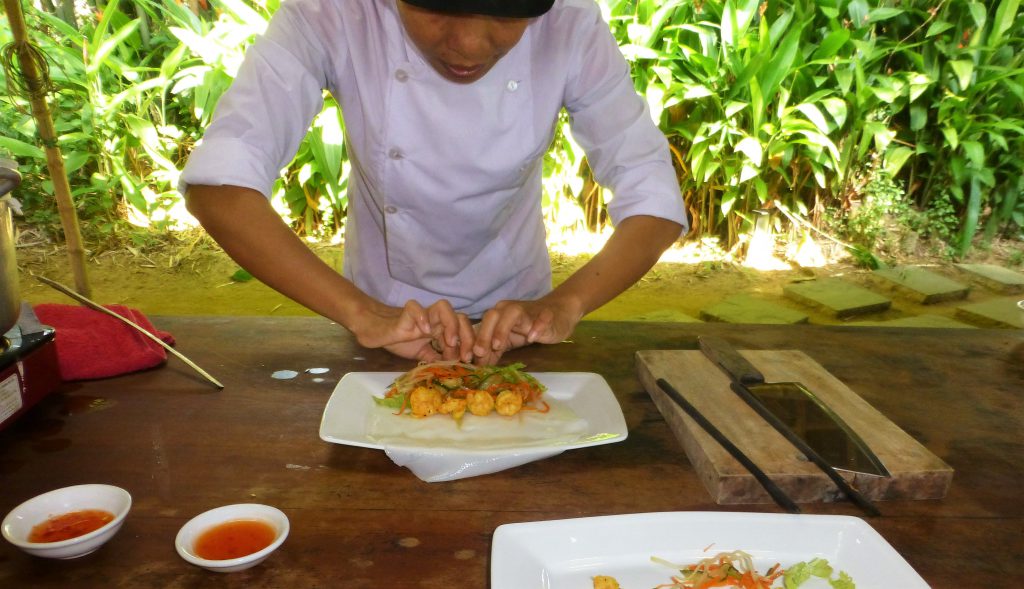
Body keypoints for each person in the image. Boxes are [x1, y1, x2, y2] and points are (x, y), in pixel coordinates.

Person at [181, 0, 687, 365]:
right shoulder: (331, 13)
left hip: (520, 320)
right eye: (435, 7)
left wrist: (565, 304)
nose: (467, 45)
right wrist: (364, 314)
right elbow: (220, 184)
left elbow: (651, 189)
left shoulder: (571, 22)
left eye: (508, 14)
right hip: (378, 317)